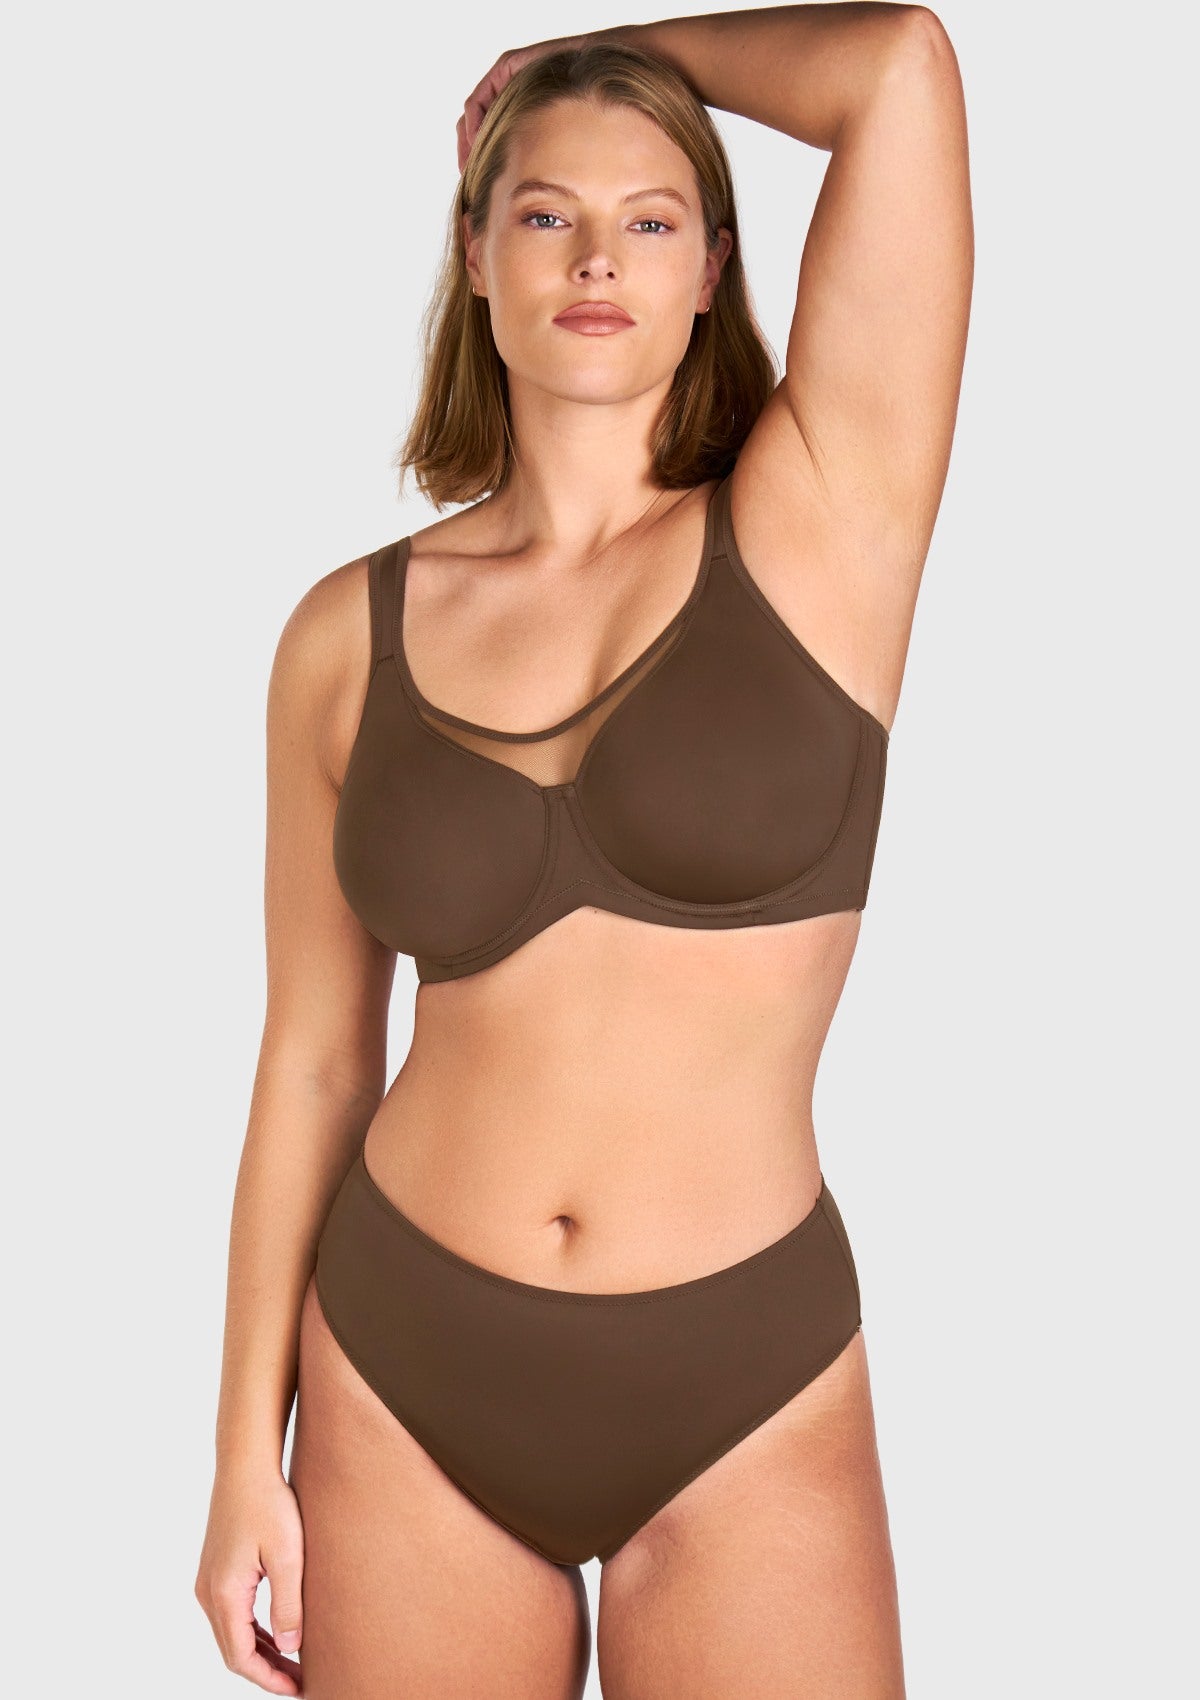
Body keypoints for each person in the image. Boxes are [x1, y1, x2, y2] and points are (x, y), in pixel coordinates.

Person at [195, 10, 972, 1697]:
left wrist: (601, 48)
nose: (598, 256)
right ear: (475, 253)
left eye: (652, 217)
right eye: (545, 211)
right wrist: (243, 1451)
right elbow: (315, 1060)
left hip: (743, 1379)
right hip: (404, 1366)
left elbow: (899, 67)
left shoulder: (822, 526)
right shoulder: (345, 637)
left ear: (713, 270)